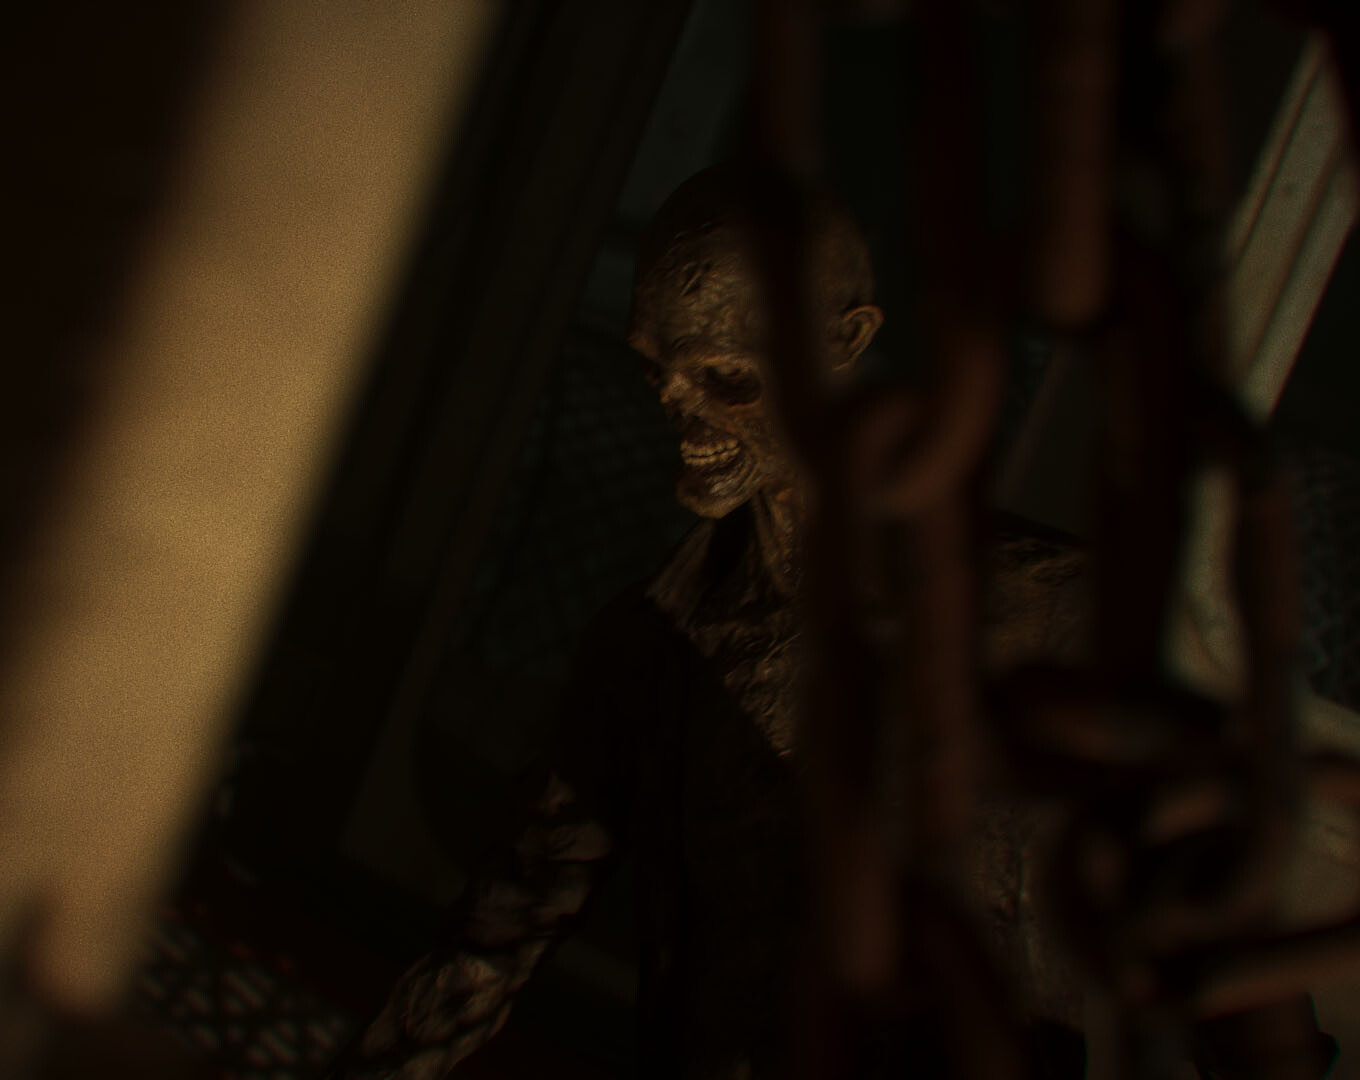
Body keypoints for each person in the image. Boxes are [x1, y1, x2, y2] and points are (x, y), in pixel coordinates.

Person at [340, 163, 1107, 1079]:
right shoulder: (651, 652)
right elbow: (493, 938)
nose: (682, 412)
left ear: (846, 342)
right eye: (658, 374)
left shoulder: (1046, 614)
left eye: (727, 378)